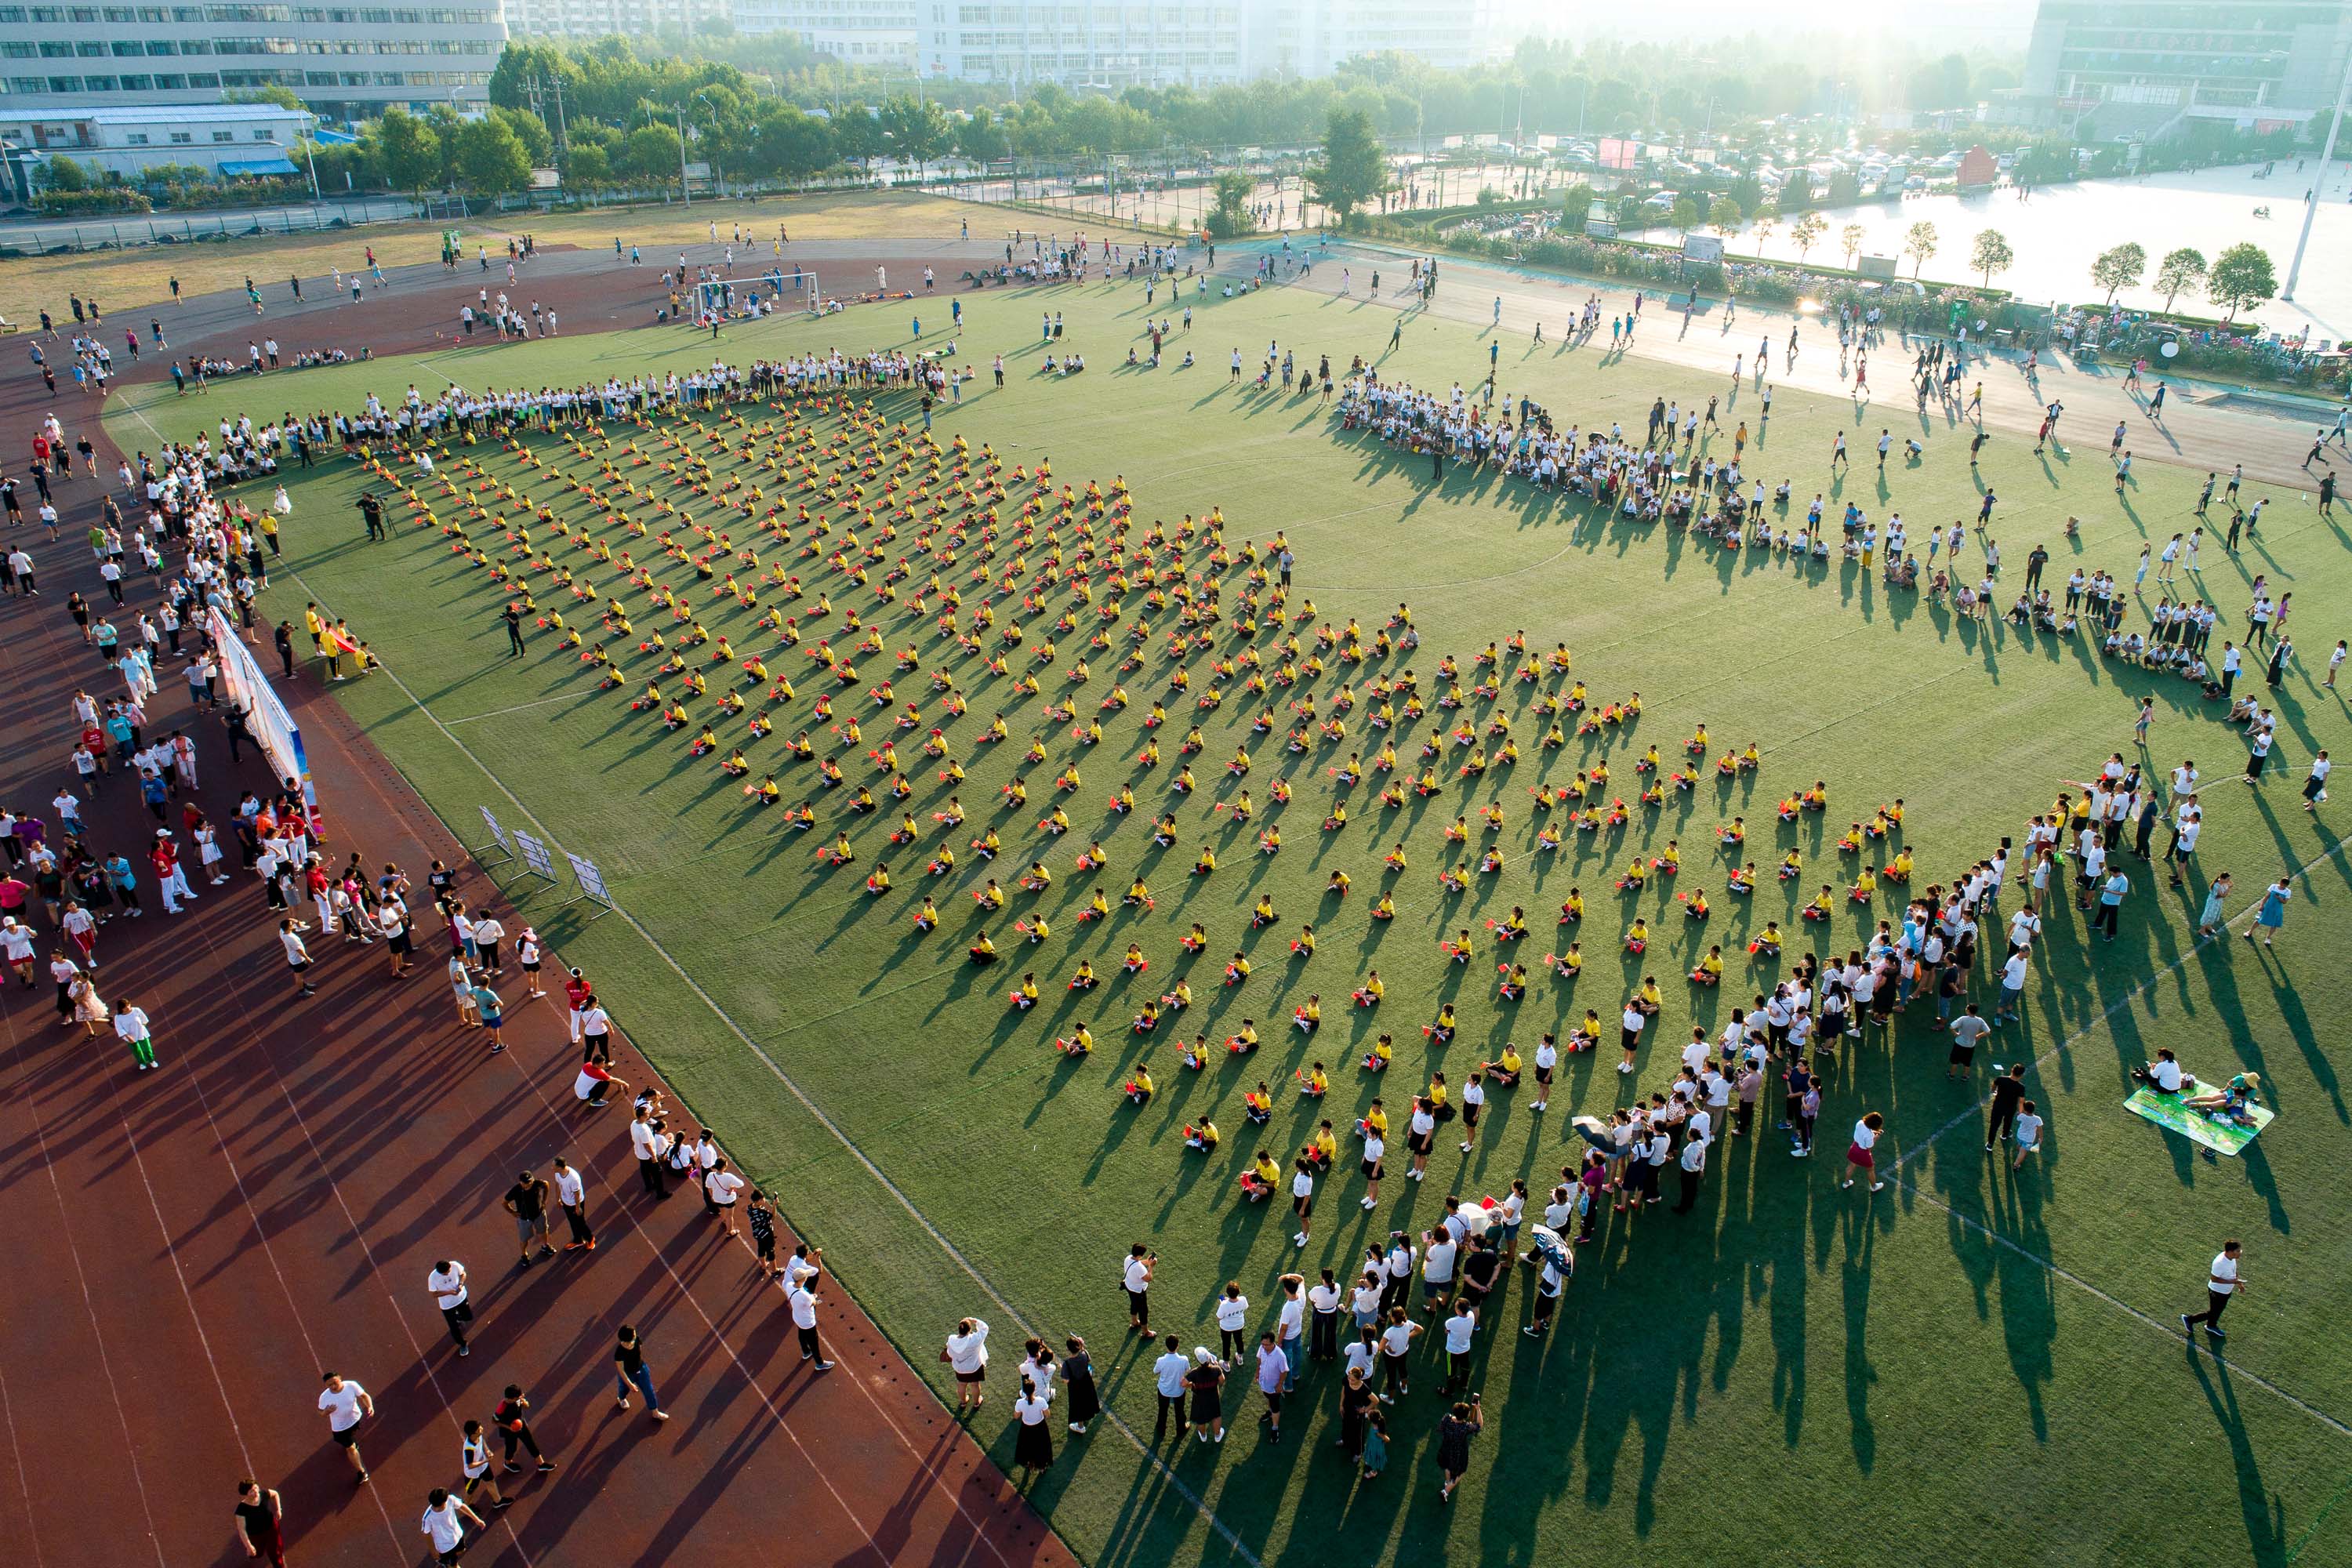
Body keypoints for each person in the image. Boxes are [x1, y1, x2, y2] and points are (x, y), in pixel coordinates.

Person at [2181, 1240, 2245, 1344]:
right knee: (2213, 1312)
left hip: (2225, 1292)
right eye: (2238, 1251)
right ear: (2230, 1251)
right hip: (2217, 1292)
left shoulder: (2231, 1258)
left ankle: (2211, 1325)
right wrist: (2232, 1281)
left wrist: (2239, 1284)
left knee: (2219, 1310)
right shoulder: (2220, 1263)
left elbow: (2234, 1271)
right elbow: (2214, 1279)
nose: (2240, 1252)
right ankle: (2189, 1320)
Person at [317, 1371, 373, 1483]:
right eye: (329, 1385)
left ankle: (352, 1443)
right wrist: (326, 1412)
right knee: (350, 1448)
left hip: (355, 1419)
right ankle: (362, 1472)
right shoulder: (325, 1397)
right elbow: (320, 1412)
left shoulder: (351, 1385)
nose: (333, 1386)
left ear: (340, 1378)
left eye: (335, 1382)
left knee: (351, 1441)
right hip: (340, 1428)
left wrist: (370, 1406)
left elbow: (364, 1396)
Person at [491, 1385, 557, 1472]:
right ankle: (508, 1463)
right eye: (518, 1397)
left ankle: (541, 1464)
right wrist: (509, 1427)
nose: (521, 1396)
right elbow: (494, 1421)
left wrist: (524, 1402)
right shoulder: (502, 1408)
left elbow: (527, 1405)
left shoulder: (518, 1400)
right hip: (509, 1430)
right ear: (512, 1398)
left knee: (530, 1442)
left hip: (521, 1425)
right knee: (512, 1448)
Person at [613, 1325, 669, 1419]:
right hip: (628, 1374)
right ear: (628, 1339)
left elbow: (639, 1351)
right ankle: (621, 1399)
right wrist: (630, 1384)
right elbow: (621, 1370)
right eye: (634, 1335)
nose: (636, 1335)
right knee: (624, 1389)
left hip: (641, 1370)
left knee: (649, 1391)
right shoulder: (619, 1352)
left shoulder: (637, 1340)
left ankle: (655, 1412)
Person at [419, 1487, 485, 1566]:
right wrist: (433, 1551)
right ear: (442, 1503)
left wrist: (476, 1519)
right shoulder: (428, 1518)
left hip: (458, 1536)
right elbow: (426, 1534)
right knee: (454, 1565)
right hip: (445, 1547)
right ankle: (447, 1563)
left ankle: (445, 1561)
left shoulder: (450, 1499)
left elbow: (461, 1506)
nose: (448, 1497)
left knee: (462, 1550)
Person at [503, 1168, 555, 1269]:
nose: (528, 1185)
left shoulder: (537, 1183)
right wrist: (513, 1212)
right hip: (524, 1219)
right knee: (524, 1239)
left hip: (539, 1214)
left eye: (530, 1183)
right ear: (521, 1182)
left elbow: (546, 1184)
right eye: (526, 1184)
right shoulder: (516, 1190)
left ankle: (545, 1246)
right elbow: (504, 1203)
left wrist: (544, 1201)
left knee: (543, 1231)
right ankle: (524, 1255)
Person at [1436, 1396, 1484, 1501]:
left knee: (1447, 1467)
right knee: (1460, 1473)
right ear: (1466, 1416)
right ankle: (1446, 1491)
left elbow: (1440, 1429)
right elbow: (1480, 1425)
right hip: (1458, 1454)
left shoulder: (1447, 1418)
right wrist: (1478, 1408)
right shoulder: (1466, 1427)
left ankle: (1447, 1483)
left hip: (1445, 1450)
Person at [787, 1267, 835, 1371]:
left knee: (801, 1334)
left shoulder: (789, 1286)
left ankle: (806, 1352)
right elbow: (813, 1303)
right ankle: (820, 1363)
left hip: (797, 1317)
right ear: (802, 1280)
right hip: (808, 1322)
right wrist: (813, 1297)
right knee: (814, 1342)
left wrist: (810, 1296)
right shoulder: (805, 1295)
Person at [232, 1479, 286, 1566]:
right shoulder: (241, 1509)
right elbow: (242, 1530)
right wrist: (249, 1546)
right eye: (252, 1491)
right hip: (256, 1534)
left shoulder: (263, 1494)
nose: (256, 1491)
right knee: (257, 1553)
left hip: (271, 1528)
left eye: (256, 1488)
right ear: (246, 1493)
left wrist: (279, 1509)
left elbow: (275, 1494)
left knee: (275, 1552)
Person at [427, 1258, 472, 1356]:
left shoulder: (455, 1265)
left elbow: (463, 1274)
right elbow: (434, 1294)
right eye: (444, 1274)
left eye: (448, 1272)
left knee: (468, 1317)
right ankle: (463, 1344)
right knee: (453, 1328)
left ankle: (457, 1318)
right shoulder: (432, 1278)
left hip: (461, 1298)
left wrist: (460, 1284)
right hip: (447, 1306)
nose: (447, 1274)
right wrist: (450, 1292)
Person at [1012, 1375, 1055, 1475]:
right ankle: (1041, 1467)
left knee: (1028, 1447)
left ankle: (1030, 1464)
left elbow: (1016, 1416)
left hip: (1026, 1428)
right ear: (1034, 1389)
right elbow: (1047, 1414)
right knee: (1041, 1447)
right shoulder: (1041, 1401)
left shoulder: (1020, 1403)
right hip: (1040, 1427)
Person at [946, 1316, 991, 1410]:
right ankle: (976, 1403)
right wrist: (974, 1320)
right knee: (975, 1385)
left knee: (961, 1384)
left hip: (960, 1368)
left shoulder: (951, 1339)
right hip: (974, 1367)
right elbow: (985, 1328)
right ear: (970, 1330)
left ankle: (963, 1402)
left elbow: (949, 1353)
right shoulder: (974, 1339)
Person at [1151, 1333, 1189, 1439]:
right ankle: (1181, 1428)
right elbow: (1188, 1370)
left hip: (1164, 1390)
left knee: (1163, 1410)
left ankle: (1161, 1428)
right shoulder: (1184, 1360)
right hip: (1179, 1390)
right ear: (1178, 1346)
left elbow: (1155, 1371)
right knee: (1179, 1410)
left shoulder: (1161, 1360)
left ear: (1166, 1346)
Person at [1185, 1346, 1227, 1443]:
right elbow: (1222, 1380)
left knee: (1201, 1419)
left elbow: (1183, 1383)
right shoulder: (1216, 1369)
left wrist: (1192, 1386)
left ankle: (1203, 1436)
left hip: (1199, 1398)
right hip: (1213, 1396)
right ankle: (1217, 1436)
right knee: (1216, 1415)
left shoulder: (1194, 1373)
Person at [1062, 1334, 1100, 1433]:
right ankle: (1086, 1417)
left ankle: (1080, 1427)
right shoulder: (1084, 1355)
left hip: (1076, 1388)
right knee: (1087, 1400)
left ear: (1068, 1349)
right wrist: (1082, 1347)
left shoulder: (1067, 1363)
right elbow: (1089, 1359)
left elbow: (1066, 1380)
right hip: (1087, 1384)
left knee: (1078, 1406)